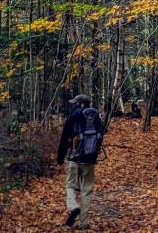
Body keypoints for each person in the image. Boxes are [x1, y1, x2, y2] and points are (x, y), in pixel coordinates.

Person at [56, 94, 103, 227]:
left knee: (70, 185)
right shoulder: (96, 118)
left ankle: (73, 206)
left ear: (81, 104)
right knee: (86, 190)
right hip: (90, 159)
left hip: (74, 158)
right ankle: (83, 223)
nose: (74, 105)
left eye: (76, 103)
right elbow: (100, 137)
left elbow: (64, 138)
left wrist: (60, 157)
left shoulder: (73, 117)